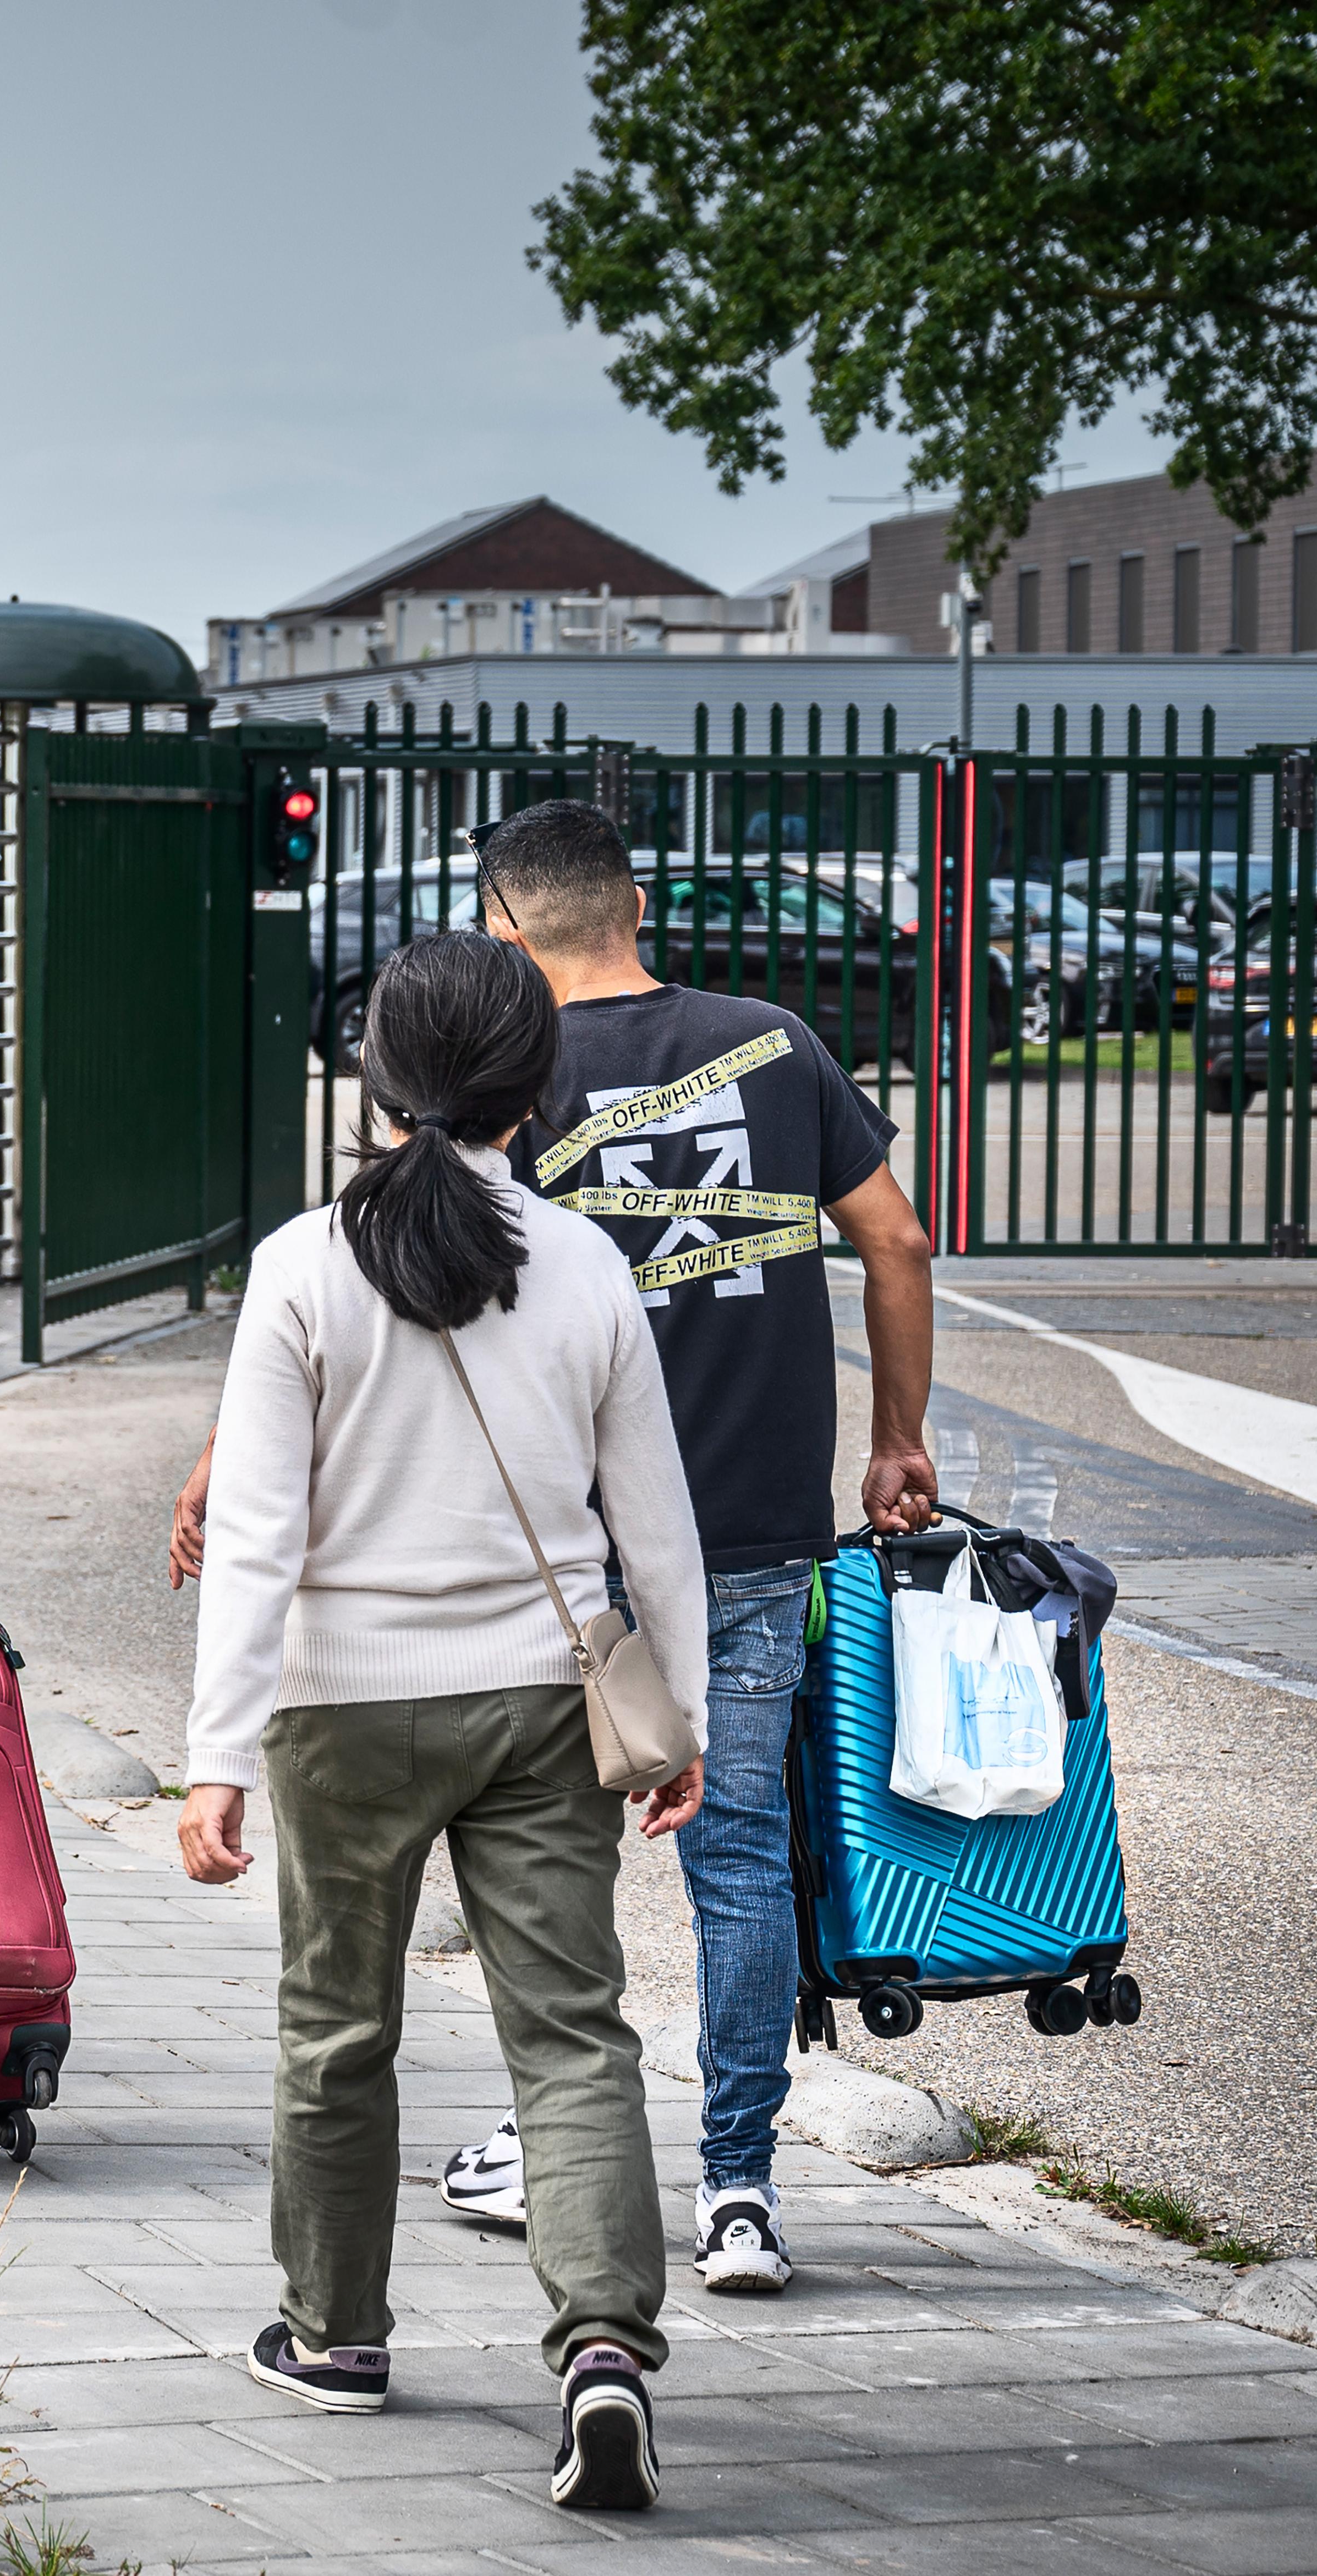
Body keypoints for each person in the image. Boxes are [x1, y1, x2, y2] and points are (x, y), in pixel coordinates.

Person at [173, 796, 939, 2299]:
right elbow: (897, 1241)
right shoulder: (775, 1044)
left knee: (501, 1936)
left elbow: (379, 1278)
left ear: (500, 932)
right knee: (737, 1859)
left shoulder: (498, 1076)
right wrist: (894, 1437)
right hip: (750, 1523)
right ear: (633, 901)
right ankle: (734, 2188)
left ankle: (501, 2188)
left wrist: (229, 1459)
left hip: (554, 1570)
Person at [183, 929, 706, 2510]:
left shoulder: (297, 1264)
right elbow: (656, 1526)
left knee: (336, 2029)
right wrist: (675, 1727)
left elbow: (259, 1537)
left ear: (377, 1077)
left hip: (341, 1712)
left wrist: (214, 1753)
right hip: (544, 1707)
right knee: (568, 2033)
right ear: (530, 1086)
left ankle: (334, 2336)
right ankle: (604, 2346)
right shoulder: (589, 1265)